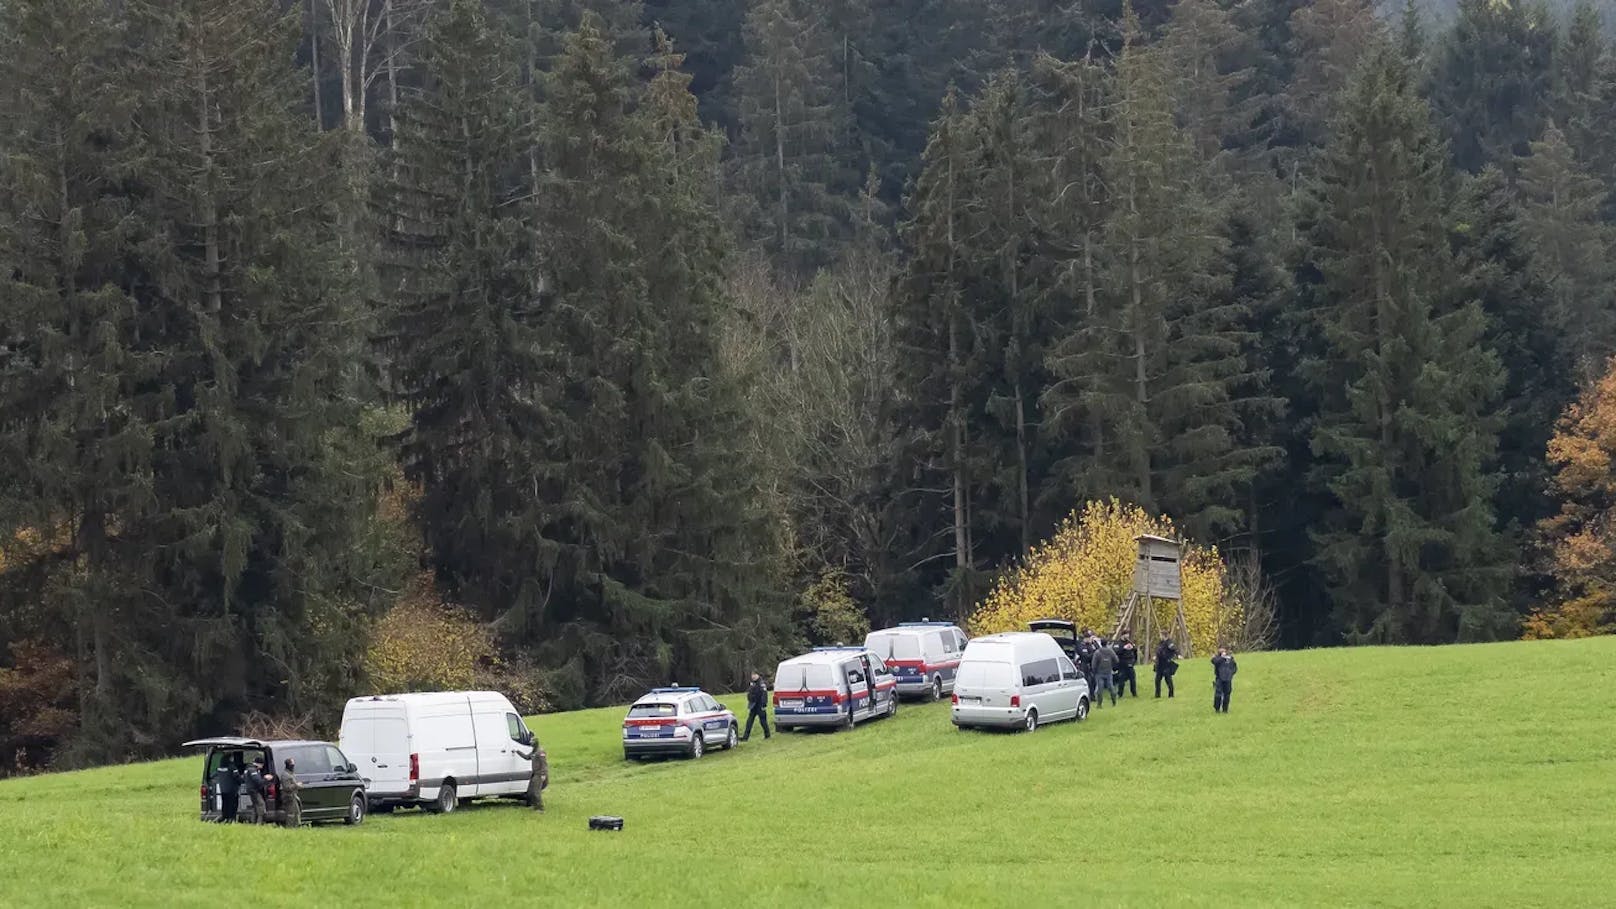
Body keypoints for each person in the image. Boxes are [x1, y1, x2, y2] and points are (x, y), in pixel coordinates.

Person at [515, 734, 548, 811]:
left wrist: (543, 774)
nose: (531, 743)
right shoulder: (534, 752)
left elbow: (544, 764)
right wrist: (518, 751)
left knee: (536, 792)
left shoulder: (540, 752)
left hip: (539, 774)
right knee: (530, 791)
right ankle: (534, 805)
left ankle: (540, 808)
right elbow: (527, 757)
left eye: (532, 742)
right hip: (534, 774)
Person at [212, 754, 242, 823]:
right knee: (233, 805)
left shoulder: (219, 768)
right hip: (232, 790)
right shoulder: (233, 768)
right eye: (232, 758)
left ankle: (224, 817)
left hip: (223, 790)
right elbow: (237, 778)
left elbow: (212, 775)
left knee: (225, 804)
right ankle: (232, 819)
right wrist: (243, 780)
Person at [743, 671, 771, 741]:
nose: (753, 676)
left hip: (760, 705)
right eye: (752, 675)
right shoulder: (752, 683)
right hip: (753, 705)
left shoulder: (761, 683)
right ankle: (745, 737)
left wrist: (764, 704)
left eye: (755, 675)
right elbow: (750, 692)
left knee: (763, 721)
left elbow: (764, 695)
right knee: (749, 721)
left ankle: (767, 735)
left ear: (758, 675)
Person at [1091, 637, 1118, 707]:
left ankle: (1099, 705)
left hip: (1099, 673)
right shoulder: (1111, 651)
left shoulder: (1097, 652)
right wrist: (1112, 666)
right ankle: (1114, 702)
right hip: (1109, 672)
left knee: (1100, 689)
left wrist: (1094, 672)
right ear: (1106, 643)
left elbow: (1093, 664)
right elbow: (1116, 660)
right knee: (1111, 687)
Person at [278, 757, 303, 828]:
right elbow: (287, 787)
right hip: (288, 797)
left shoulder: (291, 773)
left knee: (297, 812)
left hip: (293, 796)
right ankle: (290, 828)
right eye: (292, 764)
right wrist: (296, 785)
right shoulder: (285, 775)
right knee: (291, 814)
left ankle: (297, 826)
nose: (293, 766)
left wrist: (298, 786)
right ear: (288, 765)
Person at [1211, 647, 1238, 713]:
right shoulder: (1217, 659)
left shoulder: (1230, 659)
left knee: (1227, 695)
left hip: (1228, 679)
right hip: (1219, 679)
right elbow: (1214, 662)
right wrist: (1222, 658)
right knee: (1218, 694)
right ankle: (1217, 709)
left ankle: (1225, 709)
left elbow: (1234, 667)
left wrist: (1231, 674)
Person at [1154, 632, 1179, 699]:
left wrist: (1177, 655)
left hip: (1166, 663)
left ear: (1164, 636)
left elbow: (1174, 649)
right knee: (1157, 680)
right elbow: (1158, 651)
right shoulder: (1161, 643)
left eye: (1161, 635)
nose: (1160, 637)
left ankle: (1171, 695)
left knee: (1168, 679)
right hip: (1160, 664)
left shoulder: (1169, 642)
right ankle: (1157, 695)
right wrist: (1155, 657)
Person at [244, 756, 268, 823]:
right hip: (254, 791)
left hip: (251, 790)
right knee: (261, 805)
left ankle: (253, 822)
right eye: (262, 764)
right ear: (258, 764)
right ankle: (259, 823)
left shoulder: (249, 768)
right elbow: (258, 781)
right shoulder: (253, 770)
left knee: (255, 806)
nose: (262, 766)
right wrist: (266, 778)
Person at [1116, 633, 1140, 698]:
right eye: (1126, 635)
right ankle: (1120, 694)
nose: (1127, 636)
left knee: (1132, 679)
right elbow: (1116, 652)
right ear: (1122, 635)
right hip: (1122, 663)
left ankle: (1134, 693)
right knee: (1121, 680)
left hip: (1130, 662)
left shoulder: (1130, 642)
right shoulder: (1118, 643)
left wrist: (1133, 648)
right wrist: (1124, 648)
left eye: (1128, 635)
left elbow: (1135, 650)